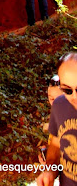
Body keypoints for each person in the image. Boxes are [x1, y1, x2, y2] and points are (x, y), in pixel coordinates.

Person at [37, 52, 77, 185]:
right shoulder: (60, 105)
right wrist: (49, 171)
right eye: (67, 90)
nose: (74, 97)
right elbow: (55, 144)